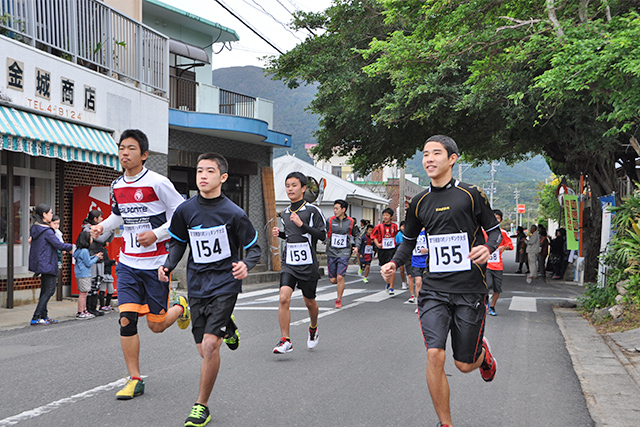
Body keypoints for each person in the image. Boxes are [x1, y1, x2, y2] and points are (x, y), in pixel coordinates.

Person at [380, 135, 500, 427]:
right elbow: (408, 241)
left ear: (452, 159)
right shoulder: (419, 201)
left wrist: (488, 247)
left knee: (463, 364)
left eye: (436, 153)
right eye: (425, 154)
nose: (429, 159)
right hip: (433, 289)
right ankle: (446, 423)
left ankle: (482, 356)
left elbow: (494, 231)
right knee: (435, 353)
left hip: (470, 289)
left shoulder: (472, 194)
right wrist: (394, 262)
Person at [159, 152, 261, 427]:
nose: (203, 176)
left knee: (210, 345)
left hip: (226, 283)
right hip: (197, 284)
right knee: (202, 351)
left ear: (223, 177)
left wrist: (245, 265)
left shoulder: (234, 213)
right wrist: (168, 265)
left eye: (210, 171)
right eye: (199, 171)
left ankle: (201, 405)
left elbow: (254, 248)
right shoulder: (185, 210)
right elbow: (178, 242)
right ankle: (228, 326)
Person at [90, 129, 190, 400]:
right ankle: (134, 379)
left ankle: (180, 307)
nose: (125, 152)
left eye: (131, 148)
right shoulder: (116, 186)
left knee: (156, 325)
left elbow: (182, 216)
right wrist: (102, 226)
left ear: (144, 155)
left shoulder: (159, 183)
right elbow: (118, 217)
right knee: (126, 319)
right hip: (127, 263)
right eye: (122, 147)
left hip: (156, 263)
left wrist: (156, 235)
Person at [272, 171, 326, 353]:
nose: (290, 189)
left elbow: (322, 235)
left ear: (303, 188)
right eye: (287, 186)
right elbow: (291, 236)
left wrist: (303, 225)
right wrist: (280, 234)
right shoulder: (285, 213)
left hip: (308, 264)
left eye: (294, 185)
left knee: (309, 302)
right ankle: (285, 340)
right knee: (283, 298)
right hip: (289, 263)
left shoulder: (312, 210)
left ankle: (313, 327)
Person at [29, 204, 73, 325]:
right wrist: (73, 247)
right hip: (48, 263)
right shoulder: (47, 231)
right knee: (49, 290)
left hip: (41, 263)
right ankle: (36, 317)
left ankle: (44, 316)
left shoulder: (36, 228)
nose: (52, 214)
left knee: (45, 290)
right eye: (50, 212)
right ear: (44, 214)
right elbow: (59, 245)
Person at [325, 199, 358, 309]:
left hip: (344, 252)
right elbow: (322, 232)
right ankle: (338, 285)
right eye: (334, 208)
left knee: (340, 277)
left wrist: (356, 246)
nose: (334, 211)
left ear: (343, 209)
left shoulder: (351, 222)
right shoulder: (329, 221)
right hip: (331, 251)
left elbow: (357, 235)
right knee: (333, 279)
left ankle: (338, 299)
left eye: (337, 208)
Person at [83, 210, 113, 316]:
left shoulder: (97, 228)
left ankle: (93, 307)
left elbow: (107, 240)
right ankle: (88, 308)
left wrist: (110, 232)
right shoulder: (88, 228)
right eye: (100, 217)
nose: (102, 220)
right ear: (95, 219)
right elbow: (100, 239)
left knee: (98, 281)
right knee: (92, 283)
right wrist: (110, 230)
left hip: (99, 257)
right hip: (92, 257)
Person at [483, 210, 514, 316]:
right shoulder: (483, 232)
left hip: (498, 265)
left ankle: (492, 307)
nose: (496, 220)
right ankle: (485, 301)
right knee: (487, 285)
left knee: (497, 288)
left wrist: (504, 247)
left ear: (500, 220)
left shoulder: (503, 233)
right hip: (486, 264)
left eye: (498, 218)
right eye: (494, 217)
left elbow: (510, 246)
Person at [73, 230, 102, 319]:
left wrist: (94, 256)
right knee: (83, 294)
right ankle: (81, 311)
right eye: (90, 238)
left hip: (79, 273)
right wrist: (96, 258)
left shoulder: (78, 250)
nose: (91, 239)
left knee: (84, 293)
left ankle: (84, 310)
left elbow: (85, 259)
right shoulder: (85, 251)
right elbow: (88, 263)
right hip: (84, 274)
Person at [371, 208, 399, 295]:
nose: (385, 217)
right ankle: (388, 282)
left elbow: (395, 235)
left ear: (391, 216)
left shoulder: (395, 226)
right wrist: (377, 244)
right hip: (382, 249)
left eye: (387, 215)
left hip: (391, 249)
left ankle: (391, 287)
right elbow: (373, 236)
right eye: (384, 215)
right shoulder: (378, 227)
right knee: (384, 268)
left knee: (391, 267)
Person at [407, 227, 428, 308]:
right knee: (418, 282)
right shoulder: (413, 232)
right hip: (416, 261)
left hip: (427, 261)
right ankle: (419, 305)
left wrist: (427, 250)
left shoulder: (429, 230)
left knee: (427, 283)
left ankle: (427, 302)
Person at [396, 221, 409, 290]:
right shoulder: (398, 234)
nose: (403, 228)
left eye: (405, 226)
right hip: (400, 253)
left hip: (408, 253)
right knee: (401, 269)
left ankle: (408, 278)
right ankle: (403, 282)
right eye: (402, 226)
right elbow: (395, 243)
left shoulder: (409, 233)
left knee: (409, 268)